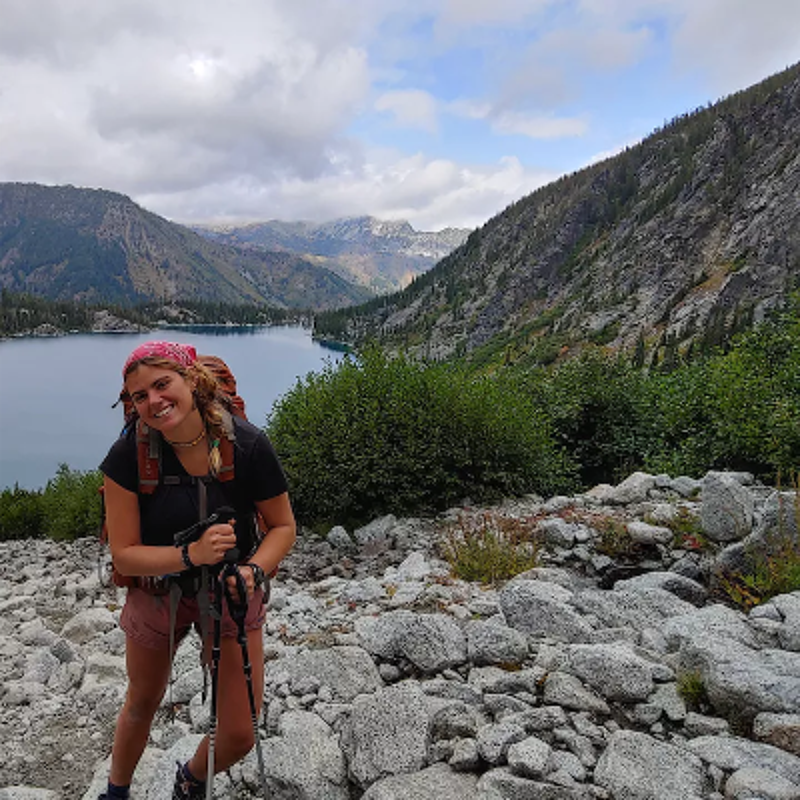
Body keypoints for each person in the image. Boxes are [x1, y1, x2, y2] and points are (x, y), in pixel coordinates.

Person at [98, 341, 296, 800]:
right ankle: (115, 793)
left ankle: (190, 779)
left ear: (191, 379)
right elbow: (124, 555)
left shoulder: (246, 443)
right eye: (140, 396)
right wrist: (192, 555)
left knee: (240, 733)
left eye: (162, 384)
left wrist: (254, 571)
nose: (154, 401)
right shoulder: (128, 454)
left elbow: (283, 527)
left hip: (230, 589)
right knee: (141, 702)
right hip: (156, 589)